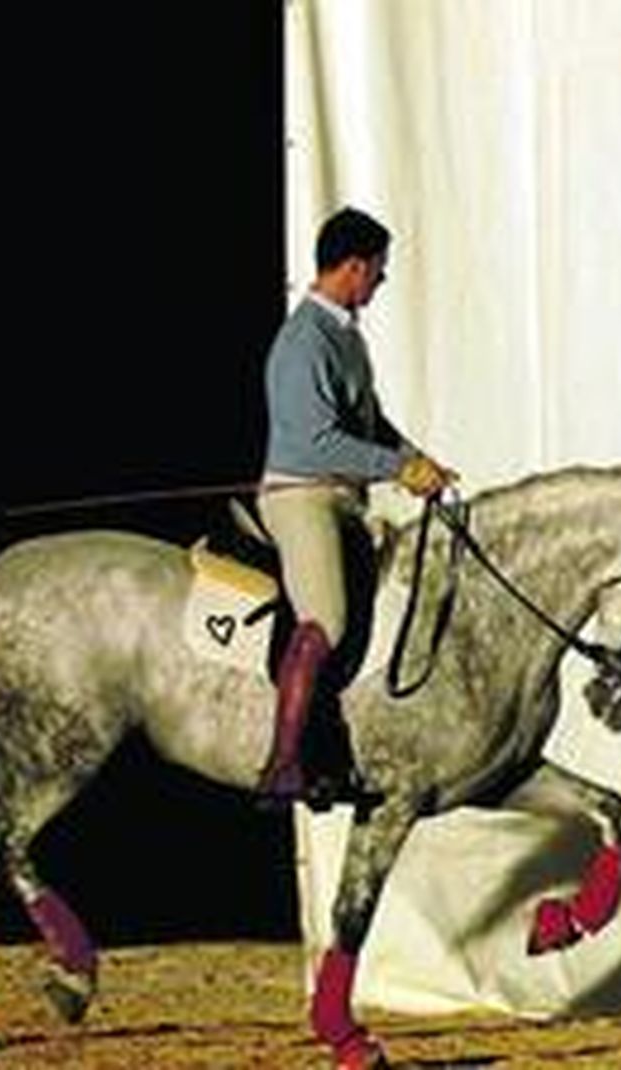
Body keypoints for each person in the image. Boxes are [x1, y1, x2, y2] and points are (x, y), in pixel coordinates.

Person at [254, 206, 455, 800]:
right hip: (303, 494)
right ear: (355, 266)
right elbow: (315, 443)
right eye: (379, 269)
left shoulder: (345, 334)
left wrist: (418, 458)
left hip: (343, 496)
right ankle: (282, 764)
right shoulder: (304, 341)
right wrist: (398, 469)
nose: (382, 280)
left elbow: (371, 421)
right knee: (328, 618)